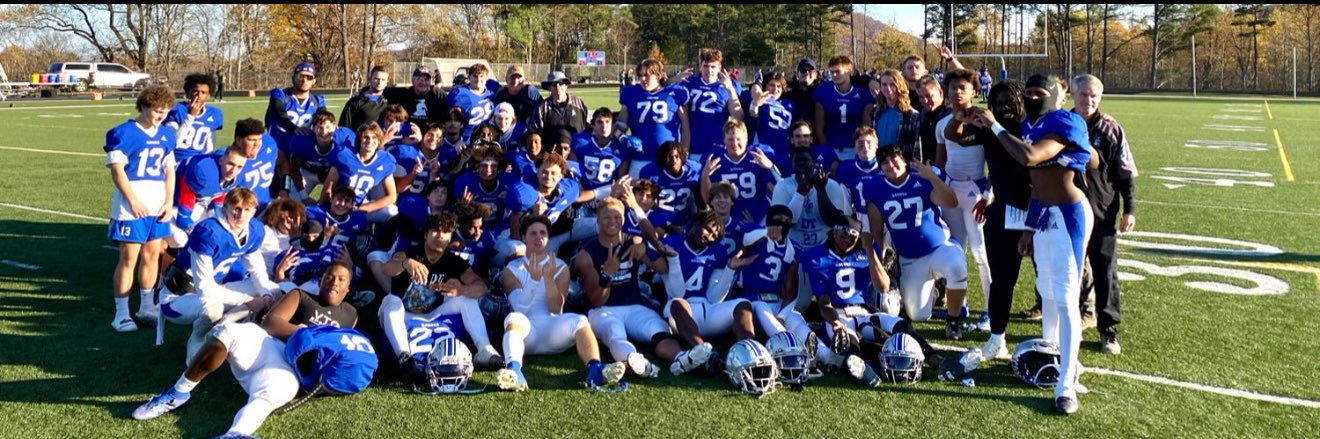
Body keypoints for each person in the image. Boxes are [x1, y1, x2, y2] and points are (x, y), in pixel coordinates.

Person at [964, 73, 1098, 415]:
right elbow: (1037, 185)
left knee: (1067, 299)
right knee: (1048, 291)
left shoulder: (1064, 120)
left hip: (1070, 215)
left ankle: (1067, 382)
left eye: (1040, 92)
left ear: (1055, 95)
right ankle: (1054, 354)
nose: (1034, 98)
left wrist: (995, 126)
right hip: (1045, 215)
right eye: (1030, 93)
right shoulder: (1035, 125)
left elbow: (1030, 158)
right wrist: (1029, 227)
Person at [132, 262, 357, 438]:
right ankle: (178, 392)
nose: (334, 282)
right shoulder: (302, 296)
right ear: (321, 281)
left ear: (348, 287)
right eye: (329, 277)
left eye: (341, 279)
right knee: (228, 332)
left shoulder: (350, 315)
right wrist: (310, 335)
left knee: (271, 396)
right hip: (272, 347)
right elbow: (271, 323)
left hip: (293, 372)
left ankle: (236, 433)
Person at [496, 215, 624, 391]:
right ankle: (514, 371)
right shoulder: (512, 269)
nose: (538, 237)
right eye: (533, 233)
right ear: (524, 237)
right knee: (513, 318)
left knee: (580, 321)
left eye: (543, 233)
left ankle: (595, 369)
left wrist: (548, 280)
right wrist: (533, 281)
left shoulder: (560, 266)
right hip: (526, 333)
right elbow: (520, 307)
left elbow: (556, 309)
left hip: (553, 330)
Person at [158, 188, 281, 362]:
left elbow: (257, 269)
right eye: (236, 208)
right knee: (212, 307)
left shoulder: (254, 230)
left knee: (273, 290)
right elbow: (205, 290)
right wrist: (247, 299)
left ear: (254, 211)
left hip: (216, 288)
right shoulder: (209, 231)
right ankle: (198, 338)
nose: (241, 215)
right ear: (225, 207)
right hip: (178, 296)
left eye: (247, 210)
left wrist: (265, 294)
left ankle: (222, 328)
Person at [377, 212, 504, 379]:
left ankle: (484, 349)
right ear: (425, 235)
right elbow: (387, 269)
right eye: (435, 231)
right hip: (402, 315)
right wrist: (405, 263)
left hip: (432, 315)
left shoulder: (453, 261)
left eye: (445, 232)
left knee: (466, 299)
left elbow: (481, 286)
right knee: (390, 300)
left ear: (450, 237)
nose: (440, 236)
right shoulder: (408, 254)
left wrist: (462, 290)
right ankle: (405, 358)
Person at [864, 145, 971, 340]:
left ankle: (953, 320)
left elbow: (951, 202)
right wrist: (878, 258)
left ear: (905, 160)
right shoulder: (875, 187)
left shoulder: (923, 177)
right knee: (918, 315)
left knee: (956, 268)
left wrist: (932, 177)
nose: (890, 164)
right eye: (884, 162)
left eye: (894, 159)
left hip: (940, 246)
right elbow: (876, 228)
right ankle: (935, 291)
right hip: (910, 256)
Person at [1072, 74, 1137, 355]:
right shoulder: (1062, 123)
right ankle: (1068, 321)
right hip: (1068, 211)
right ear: (1073, 95)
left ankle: (1108, 330)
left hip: (1102, 212)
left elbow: (1125, 172)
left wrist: (1130, 209)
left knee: (1105, 271)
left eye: (1094, 96)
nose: (1089, 100)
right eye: (1084, 94)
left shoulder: (1110, 128)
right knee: (1069, 270)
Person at [975, 80, 1040, 360]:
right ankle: (997, 336)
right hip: (1003, 210)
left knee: (1051, 281)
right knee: (1002, 279)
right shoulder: (989, 130)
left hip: (1039, 209)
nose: (1003, 109)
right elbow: (956, 133)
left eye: (1009, 103)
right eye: (998, 104)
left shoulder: (1032, 129)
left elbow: (1026, 161)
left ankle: (1056, 339)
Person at [106, 85, 178, 331]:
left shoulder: (168, 135)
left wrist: (169, 202)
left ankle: (147, 306)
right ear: (144, 106)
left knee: (152, 255)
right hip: (131, 205)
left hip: (158, 203)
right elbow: (117, 172)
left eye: (165, 112)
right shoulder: (123, 133)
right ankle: (121, 313)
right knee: (128, 258)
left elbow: (169, 171)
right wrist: (133, 200)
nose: (161, 116)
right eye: (157, 111)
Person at [650, 210, 757, 375]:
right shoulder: (673, 242)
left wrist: (729, 269)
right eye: (708, 229)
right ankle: (703, 352)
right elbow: (677, 292)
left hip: (708, 309)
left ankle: (749, 351)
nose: (709, 236)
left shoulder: (717, 250)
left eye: (714, 235)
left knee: (744, 305)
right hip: (681, 312)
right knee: (677, 303)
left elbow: (714, 298)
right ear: (696, 223)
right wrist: (673, 259)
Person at [934, 69, 993, 332]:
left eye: (963, 87)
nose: (957, 92)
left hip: (976, 192)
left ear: (974, 92)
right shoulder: (941, 122)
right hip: (951, 191)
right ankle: (959, 306)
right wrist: (937, 188)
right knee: (955, 251)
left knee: (981, 253)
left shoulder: (984, 119)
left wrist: (989, 194)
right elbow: (940, 162)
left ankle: (991, 310)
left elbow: (996, 163)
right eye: (953, 87)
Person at [618, 59, 690, 178]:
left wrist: (684, 153)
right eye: (640, 75)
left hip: (668, 159)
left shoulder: (674, 93)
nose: (642, 79)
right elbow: (618, 126)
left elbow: (686, 128)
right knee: (635, 194)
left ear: (657, 75)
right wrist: (622, 137)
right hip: (640, 158)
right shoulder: (631, 93)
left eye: (646, 75)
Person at [699, 120, 778, 224]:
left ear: (746, 139)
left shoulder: (759, 155)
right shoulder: (715, 159)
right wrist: (705, 177)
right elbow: (707, 199)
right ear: (724, 140)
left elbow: (777, 191)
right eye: (730, 140)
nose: (735, 144)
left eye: (738, 139)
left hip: (761, 217)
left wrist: (771, 167)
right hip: (727, 219)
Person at [771, 148, 850, 249]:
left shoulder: (832, 186)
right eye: (797, 161)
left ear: (814, 162)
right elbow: (783, 225)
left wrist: (821, 189)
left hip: (824, 249)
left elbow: (834, 222)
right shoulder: (782, 186)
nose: (801, 164)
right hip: (793, 249)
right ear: (792, 164)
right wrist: (800, 194)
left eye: (805, 160)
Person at [323, 123, 399, 223]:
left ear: (379, 141)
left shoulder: (385, 160)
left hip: (361, 205)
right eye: (366, 137)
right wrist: (327, 210)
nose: (370, 141)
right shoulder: (344, 155)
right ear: (359, 139)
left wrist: (365, 208)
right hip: (340, 203)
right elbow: (328, 188)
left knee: (392, 211)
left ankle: (376, 236)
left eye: (374, 138)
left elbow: (392, 196)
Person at [680, 48, 745, 157]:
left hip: (718, 147)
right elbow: (661, 88)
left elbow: (738, 116)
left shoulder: (729, 85)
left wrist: (730, 89)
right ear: (700, 66)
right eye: (705, 66)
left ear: (719, 67)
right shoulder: (689, 82)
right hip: (694, 146)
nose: (709, 70)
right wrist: (673, 80)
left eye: (713, 67)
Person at [814, 56, 875, 162]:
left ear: (849, 71)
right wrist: (827, 150)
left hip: (855, 148)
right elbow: (819, 128)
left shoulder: (863, 93)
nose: (834, 75)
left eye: (838, 71)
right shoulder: (823, 91)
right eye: (831, 72)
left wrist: (861, 148)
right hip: (831, 147)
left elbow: (866, 128)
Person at [285, 111, 355, 203]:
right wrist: (304, 196)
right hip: (308, 173)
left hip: (333, 176)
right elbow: (294, 169)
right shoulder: (302, 141)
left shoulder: (343, 138)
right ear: (313, 128)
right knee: (292, 201)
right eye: (320, 127)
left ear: (335, 127)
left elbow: (352, 166)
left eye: (328, 127)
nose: (324, 132)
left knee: (341, 202)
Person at [571, 108, 638, 190]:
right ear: (593, 125)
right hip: (584, 191)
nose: (604, 126)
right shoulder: (580, 142)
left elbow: (621, 180)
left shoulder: (622, 147)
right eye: (600, 122)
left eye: (607, 122)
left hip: (609, 193)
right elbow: (573, 169)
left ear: (613, 125)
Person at [164, 73, 223, 166]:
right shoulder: (176, 110)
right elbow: (173, 142)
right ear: (188, 92)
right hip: (179, 163)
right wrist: (190, 116)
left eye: (203, 92)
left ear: (208, 96)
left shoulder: (215, 113)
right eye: (195, 91)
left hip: (200, 163)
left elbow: (211, 141)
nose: (199, 95)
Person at [638, 140, 700, 224]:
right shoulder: (650, 172)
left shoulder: (694, 169)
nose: (674, 161)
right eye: (670, 157)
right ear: (662, 159)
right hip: (658, 220)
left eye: (677, 156)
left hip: (685, 220)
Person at [834, 127, 885, 228]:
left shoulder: (886, 168)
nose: (865, 146)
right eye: (860, 143)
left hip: (884, 220)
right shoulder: (845, 169)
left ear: (876, 146)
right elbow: (844, 205)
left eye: (869, 142)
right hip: (857, 222)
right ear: (855, 147)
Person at [869, 69, 920, 160]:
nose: (888, 88)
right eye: (884, 84)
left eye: (892, 84)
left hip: (900, 165)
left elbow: (916, 147)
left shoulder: (912, 115)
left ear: (900, 86)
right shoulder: (876, 112)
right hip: (878, 162)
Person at [747, 72, 795, 166]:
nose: (775, 89)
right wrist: (755, 104)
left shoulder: (789, 104)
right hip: (763, 148)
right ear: (765, 86)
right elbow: (752, 118)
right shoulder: (760, 99)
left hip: (784, 150)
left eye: (779, 86)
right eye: (772, 85)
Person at [383, 66, 449, 127]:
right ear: (413, 81)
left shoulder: (438, 95)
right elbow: (382, 90)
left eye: (426, 79)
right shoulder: (404, 94)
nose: (422, 82)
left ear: (430, 81)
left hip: (431, 135)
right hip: (408, 134)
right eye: (418, 79)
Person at [446, 63, 496, 141]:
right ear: (469, 77)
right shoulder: (459, 93)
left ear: (486, 78)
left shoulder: (493, 89)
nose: (479, 79)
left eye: (481, 76)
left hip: (488, 138)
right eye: (475, 76)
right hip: (467, 140)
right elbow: (445, 114)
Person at [529, 71, 589, 135]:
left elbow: (588, 126)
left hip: (577, 144)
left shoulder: (579, 104)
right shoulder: (542, 109)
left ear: (566, 85)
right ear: (549, 87)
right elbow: (534, 133)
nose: (558, 88)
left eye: (561, 83)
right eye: (554, 84)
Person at [340, 65, 391, 132]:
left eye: (383, 80)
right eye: (377, 79)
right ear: (370, 79)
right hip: (362, 140)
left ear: (387, 81)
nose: (380, 82)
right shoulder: (356, 101)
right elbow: (344, 128)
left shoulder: (391, 99)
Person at [914, 74, 948, 164]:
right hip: (927, 168)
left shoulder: (949, 115)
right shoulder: (923, 114)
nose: (925, 100)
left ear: (941, 93)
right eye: (921, 97)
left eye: (928, 95)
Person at [784, 58, 820, 124]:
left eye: (810, 70)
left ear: (815, 75)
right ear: (797, 74)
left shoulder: (821, 94)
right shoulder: (788, 95)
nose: (806, 72)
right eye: (803, 70)